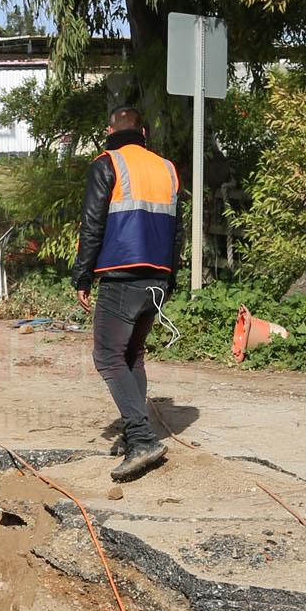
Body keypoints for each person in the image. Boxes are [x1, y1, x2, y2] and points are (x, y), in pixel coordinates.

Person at [70, 104, 179, 482]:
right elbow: (177, 229)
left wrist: (82, 275)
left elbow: (92, 223)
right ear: (144, 134)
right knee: (132, 354)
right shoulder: (166, 168)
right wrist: (172, 278)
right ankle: (136, 432)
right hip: (158, 278)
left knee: (107, 356)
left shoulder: (107, 164)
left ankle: (142, 439)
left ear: (108, 130)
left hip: (121, 277)